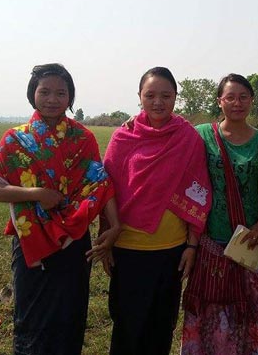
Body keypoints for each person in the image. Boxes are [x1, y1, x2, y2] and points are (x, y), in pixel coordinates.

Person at [0, 63, 121, 355]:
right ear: (32, 94)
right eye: (44, 91)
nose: (52, 99)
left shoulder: (83, 138)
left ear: (70, 97)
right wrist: (36, 194)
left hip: (74, 241)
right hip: (30, 241)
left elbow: (101, 183)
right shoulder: (14, 139)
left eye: (61, 92)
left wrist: (115, 225)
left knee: (69, 319)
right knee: (31, 318)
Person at [98, 67, 212, 355]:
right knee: (126, 328)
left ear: (176, 97)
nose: (158, 102)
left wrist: (191, 245)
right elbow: (106, 190)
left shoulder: (188, 138)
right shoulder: (123, 137)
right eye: (150, 95)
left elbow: (198, 190)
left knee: (161, 328)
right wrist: (105, 240)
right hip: (127, 248)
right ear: (139, 97)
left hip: (170, 251)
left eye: (166, 95)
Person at [181, 74, 258, 355]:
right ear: (219, 101)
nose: (237, 103)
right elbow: (167, 132)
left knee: (248, 310)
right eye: (230, 97)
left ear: (252, 101)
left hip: (247, 242)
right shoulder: (201, 134)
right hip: (208, 240)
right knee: (209, 309)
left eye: (244, 97)